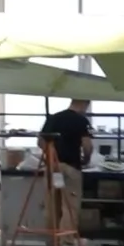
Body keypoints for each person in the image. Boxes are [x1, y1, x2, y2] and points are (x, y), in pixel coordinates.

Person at [40, 99, 94, 233]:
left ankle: (52, 240)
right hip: (71, 168)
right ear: (85, 104)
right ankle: (66, 241)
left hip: (53, 168)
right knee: (70, 207)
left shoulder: (53, 118)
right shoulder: (81, 121)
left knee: (52, 205)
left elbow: (40, 141)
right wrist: (86, 160)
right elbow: (87, 146)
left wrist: (51, 155)